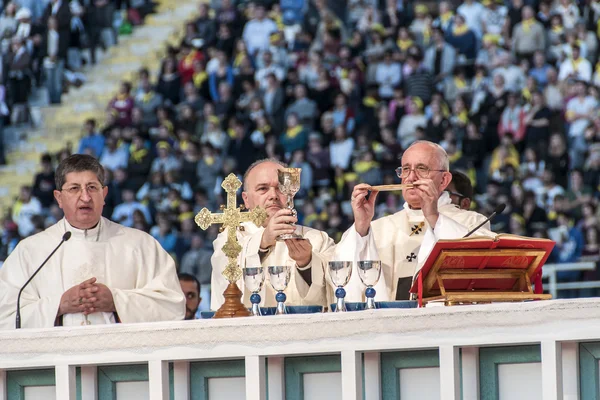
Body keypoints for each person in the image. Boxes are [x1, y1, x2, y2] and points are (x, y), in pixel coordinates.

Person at [0, 155, 185, 329]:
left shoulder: (140, 245)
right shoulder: (30, 251)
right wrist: (59, 305)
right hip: (55, 360)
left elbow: (172, 306)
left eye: (92, 187)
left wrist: (116, 301)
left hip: (124, 360)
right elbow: (6, 318)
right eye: (74, 189)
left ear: (104, 194)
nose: (86, 197)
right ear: (58, 198)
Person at [335, 141, 494, 302]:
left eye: (421, 169)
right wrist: (361, 226)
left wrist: (433, 217)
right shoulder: (377, 228)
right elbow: (338, 273)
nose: (411, 178)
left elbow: (478, 268)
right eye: (405, 169)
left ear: (444, 180)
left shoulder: (471, 222)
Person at [211, 159, 335, 310]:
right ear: (246, 199)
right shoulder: (231, 237)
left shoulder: (317, 239)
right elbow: (224, 278)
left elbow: (337, 289)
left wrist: (306, 264)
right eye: (263, 189)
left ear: (292, 193)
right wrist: (262, 242)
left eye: (281, 188)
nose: (273, 195)